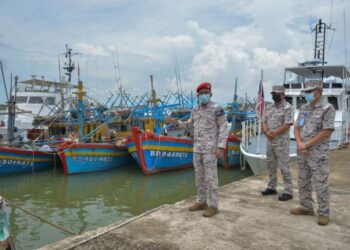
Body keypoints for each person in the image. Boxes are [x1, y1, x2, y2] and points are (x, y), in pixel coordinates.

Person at [165, 82, 228, 217]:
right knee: (199, 177)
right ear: (198, 95)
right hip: (197, 148)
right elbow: (189, 126)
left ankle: (213, 206)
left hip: (210, 149)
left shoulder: (217, 108)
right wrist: (175, 122)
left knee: (211, 178)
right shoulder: (195, 110)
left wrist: (221, 146)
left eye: (206, 92)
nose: (204, 95)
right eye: (201, 93)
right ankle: (201, 202)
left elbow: (223, 127)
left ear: (210, 94)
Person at [291, 80, 335, 226]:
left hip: (318, 153)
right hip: (302, 151)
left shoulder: (328, 108)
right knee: (303, 180)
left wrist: (307, 144)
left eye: (310, 91)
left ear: (319, 91)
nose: (307, 93)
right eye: (306, 91)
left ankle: (323, 213)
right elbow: (297, 127)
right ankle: (306, 207)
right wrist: (298, 143)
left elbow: (327, 131)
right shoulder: (304, 108)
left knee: (320, 182)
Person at [261, 85, 294, 201]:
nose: (274, 96)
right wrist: (266, 132)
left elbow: (287, 124)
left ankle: (288, 191)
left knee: (284, 167)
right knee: (271, 165)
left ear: (283, 94)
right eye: (273, 94)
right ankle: (271, 187)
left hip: (281, 143)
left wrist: (274, 133)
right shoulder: (269, 107)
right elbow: (264, 121)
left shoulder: (288, 107)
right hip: (270, 142)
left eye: (277, 94)